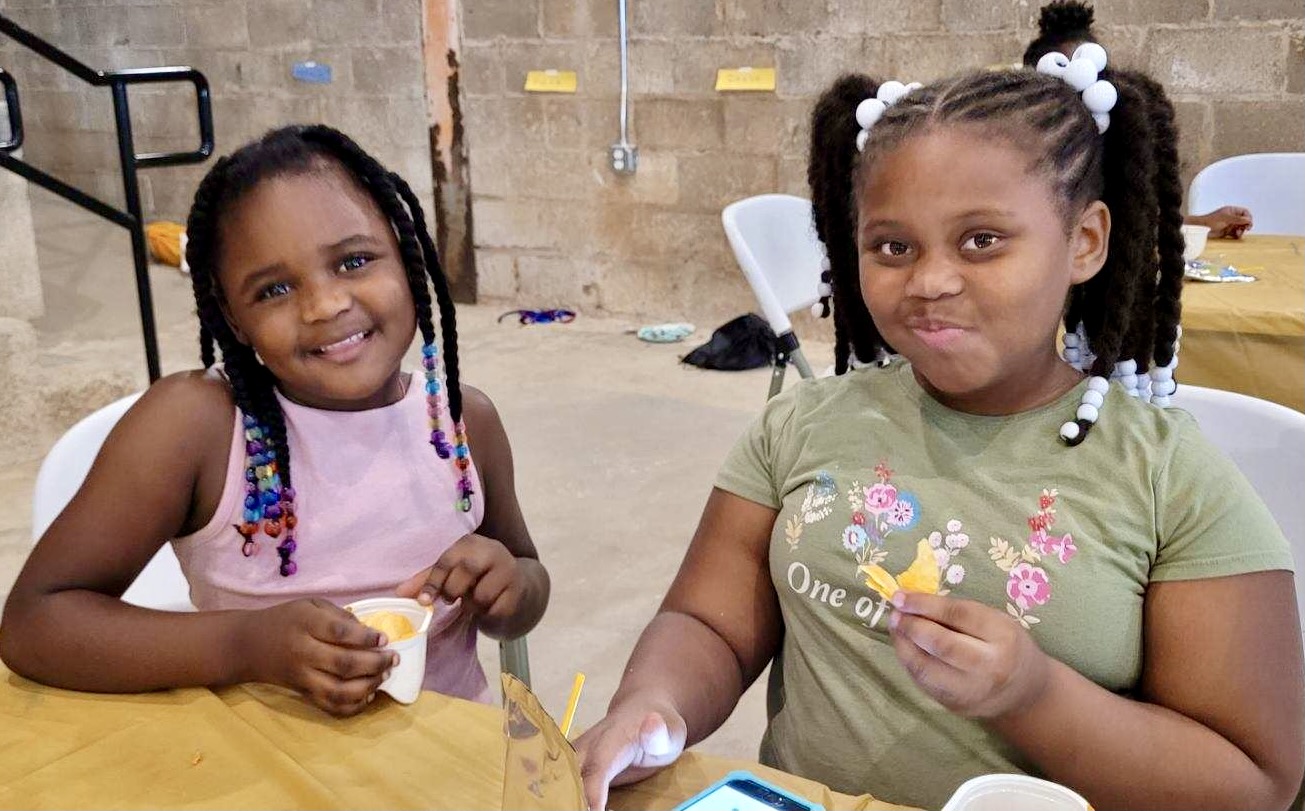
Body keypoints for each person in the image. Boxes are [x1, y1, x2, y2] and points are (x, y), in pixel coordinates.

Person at [575, 56, 1303, 810]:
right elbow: (707, 623)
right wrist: (653, 699)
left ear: (1083, 241)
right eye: (892, 246)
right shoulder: (802, 424)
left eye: (981, 240)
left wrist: (1032, 693)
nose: (929, 281)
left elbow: (1251, 781)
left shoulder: (1167, 477)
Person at [0, 125, 550, 717]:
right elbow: (37, 621)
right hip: (262, 769)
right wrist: (246, 644)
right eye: (274, 289)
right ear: (233, 319)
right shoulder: (197, 429)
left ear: (408, 258)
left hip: (446, 765)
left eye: (355, 260)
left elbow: (526, 580)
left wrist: (510, 589)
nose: (324, 306)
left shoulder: (465, 424)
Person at [1024, 0, 1252, 239]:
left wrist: (1202, 224)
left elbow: (1129, 229)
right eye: (1064, 77)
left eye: (1090, 74)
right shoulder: (1024, 160)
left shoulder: (1118, 155)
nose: (1081, 86)